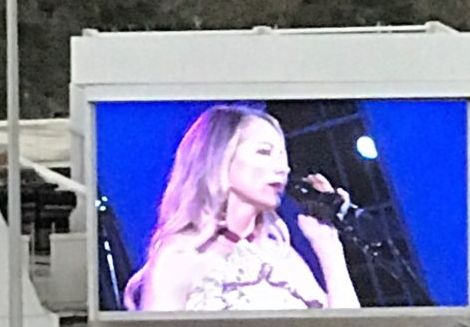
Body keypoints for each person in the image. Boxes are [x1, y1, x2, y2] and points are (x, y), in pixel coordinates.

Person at [123, 104, 360, 311]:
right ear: (220, 158)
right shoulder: (180, 257)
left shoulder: (282, 257)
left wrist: (328, 246)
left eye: (282, 155)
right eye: (264, 152)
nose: (283, 168)